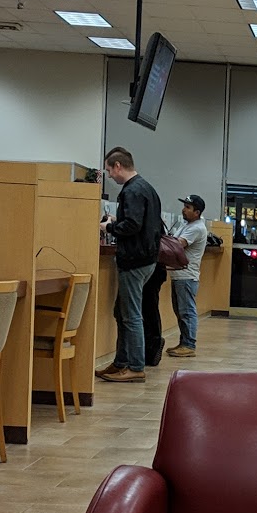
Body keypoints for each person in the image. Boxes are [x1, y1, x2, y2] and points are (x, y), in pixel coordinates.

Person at [97, 147, 161, 384]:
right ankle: (121, 361)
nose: (109, 176)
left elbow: (133, 225)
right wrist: (119, 220)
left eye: (109, 171)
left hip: (133, 260)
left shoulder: (131, 190)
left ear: (118, 166)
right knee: (122, 312)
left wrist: (110, 227)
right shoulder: (147, 188)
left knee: (131, 315)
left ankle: (135, 366)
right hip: (147, 259)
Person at [164, 195, 211, 358]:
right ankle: (184, 342)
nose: (183, 210)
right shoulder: (188, 225)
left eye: (188, 207)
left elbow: (177, 245)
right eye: (184, 206)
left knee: (186, 311)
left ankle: (189, 345)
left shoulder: (196, 228)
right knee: (180, 311)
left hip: (186, 276)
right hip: (180, 275)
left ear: (197, 212)